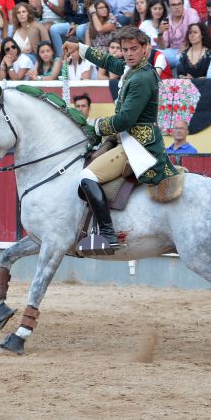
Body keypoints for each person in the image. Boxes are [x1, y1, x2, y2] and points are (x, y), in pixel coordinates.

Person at [72, 27, 179, 255]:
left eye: (133, 49)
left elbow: (124, 120)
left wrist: (95, 126)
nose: (128, 54)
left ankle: (107, 234)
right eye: (125, 49)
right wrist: (80, 49)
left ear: (145, 48)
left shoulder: (141, 78)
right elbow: (110, 62)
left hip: (137, 145)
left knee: (87, 176)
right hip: (129, 139)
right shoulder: (134, 69)